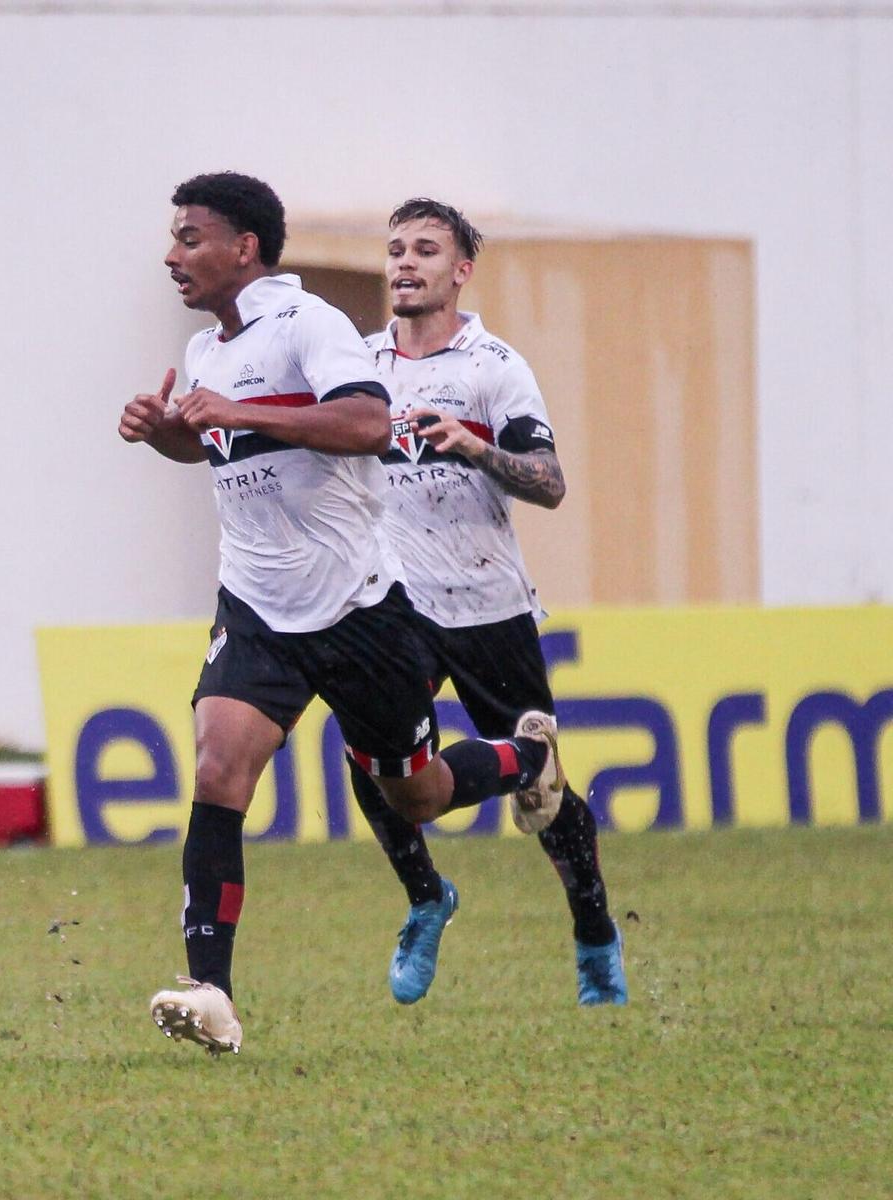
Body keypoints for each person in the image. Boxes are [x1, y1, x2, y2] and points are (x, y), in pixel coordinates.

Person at [119, 173, 567, 1057]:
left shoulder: (309, 324)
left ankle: (528, 755)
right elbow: (219, 443)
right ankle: (211, 991)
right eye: (173, 238)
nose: (173, 255)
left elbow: (369, 423)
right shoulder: (208, 349)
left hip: (360, 610)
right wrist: (165, 429)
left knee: (420, 794)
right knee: (218, 766)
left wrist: (237, 411)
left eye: (191, 237)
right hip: (255, 605)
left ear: (244, 247)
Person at [352, 198, 625, 1006]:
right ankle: (427, 898)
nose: (405, 262)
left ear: (461, 270)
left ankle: (595, 934)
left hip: (483, 603)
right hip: (391, 604)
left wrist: (475, 445)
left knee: (549, 802)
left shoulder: (493, 365)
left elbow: (551, 484)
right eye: (396, 248)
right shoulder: (359, 364)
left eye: (426, 250)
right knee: (373, 759)